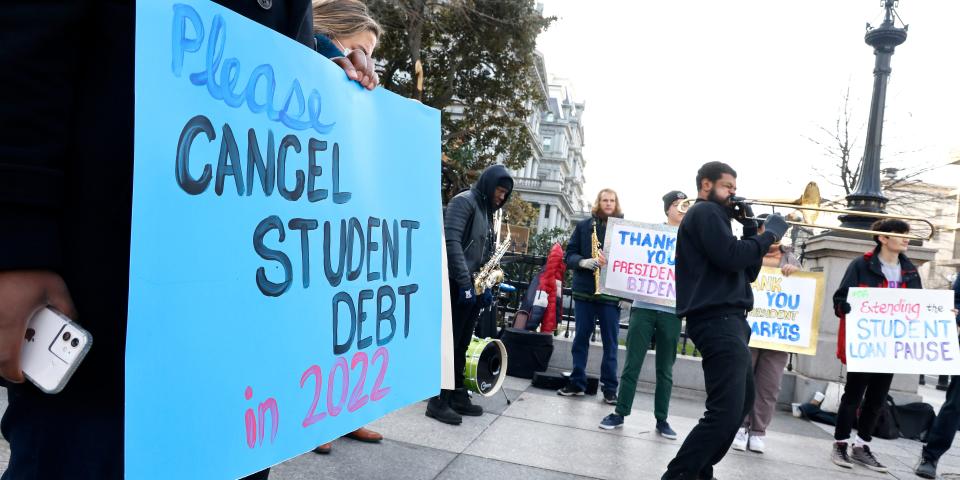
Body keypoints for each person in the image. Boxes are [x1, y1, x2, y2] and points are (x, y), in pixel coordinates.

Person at [0, 2, 377, 479]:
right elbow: (26, 42)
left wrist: (324, 79)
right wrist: (17, 240)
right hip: (107, 311)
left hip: (234, 337)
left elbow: (280, 77)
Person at [662, 161, 787, 480]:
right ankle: (679, 475)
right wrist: (769, 233)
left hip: (730, 319)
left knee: (741, 403)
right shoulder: (704, 212)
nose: (734, 192)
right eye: (728, 186)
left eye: (734, 186)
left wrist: (749, 230)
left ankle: (700, 471)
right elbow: (732, 256)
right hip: (716, 318)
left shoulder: (719, 219)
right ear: (706, 185)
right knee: (725, 410)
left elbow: (747, 270)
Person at [309, 0, 386, 454]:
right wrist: (328, 55)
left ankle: (343, 412)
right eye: (359, 48)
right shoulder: (313, 53)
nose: (366, 62)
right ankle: (314, 418)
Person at [829, 219, 921, 474]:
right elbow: (841, 296)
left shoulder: (910, 270)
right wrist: (844, 307)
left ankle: (862, 446)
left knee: (877, 399)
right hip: (866, 342)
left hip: (891, 345)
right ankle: (840, 443)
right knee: (853, 395)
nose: (906, 239)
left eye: (907, 235)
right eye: (900, 234)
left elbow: (918, 305)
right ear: (882, 238)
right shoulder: (861, 265)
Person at [426, 164, 513, 425]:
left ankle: (455, 393)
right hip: (456, 284)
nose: (502, 196)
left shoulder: (487, 211)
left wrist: (484, 285)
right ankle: (437, 400)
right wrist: (464, 283)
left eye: (506, 193)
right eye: (499, 189)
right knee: (449, 342)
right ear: (489, 184)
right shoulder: (462, 202)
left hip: (474, 285)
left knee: (463, 342)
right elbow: (451, 242)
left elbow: (483, 251)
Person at [599, 190, 687, 439]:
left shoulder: (693, 238)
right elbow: (627, 256)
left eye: (686, 206)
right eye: (678, 205)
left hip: (671, 309)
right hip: (644, 306)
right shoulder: (649, 234)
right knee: (632, 364)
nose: (683, 209)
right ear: (667, 209)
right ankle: (620, 412)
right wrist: (609, 261)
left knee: (665, 370)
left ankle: (662, 418)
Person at [732, 214, 802, 454]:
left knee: (769, 385)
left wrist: (797, 272)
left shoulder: (791, 257)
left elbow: (803, 291)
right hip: (749, 328)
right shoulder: (748, 251)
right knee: (743, 379)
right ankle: (740, 426)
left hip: (776, 335)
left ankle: (758, 430)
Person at [559, 189, 624, 403]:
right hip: (585, 291)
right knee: (580, 339)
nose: (608, 204)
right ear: (598, 202)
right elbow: (569, 255)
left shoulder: (624, 229)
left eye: (612, 200)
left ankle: (610, 389)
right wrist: (583, 262)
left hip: (610, 295)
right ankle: (577, 382)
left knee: (611, 343)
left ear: (616, 204)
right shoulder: (584, 226)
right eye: (604, 200)